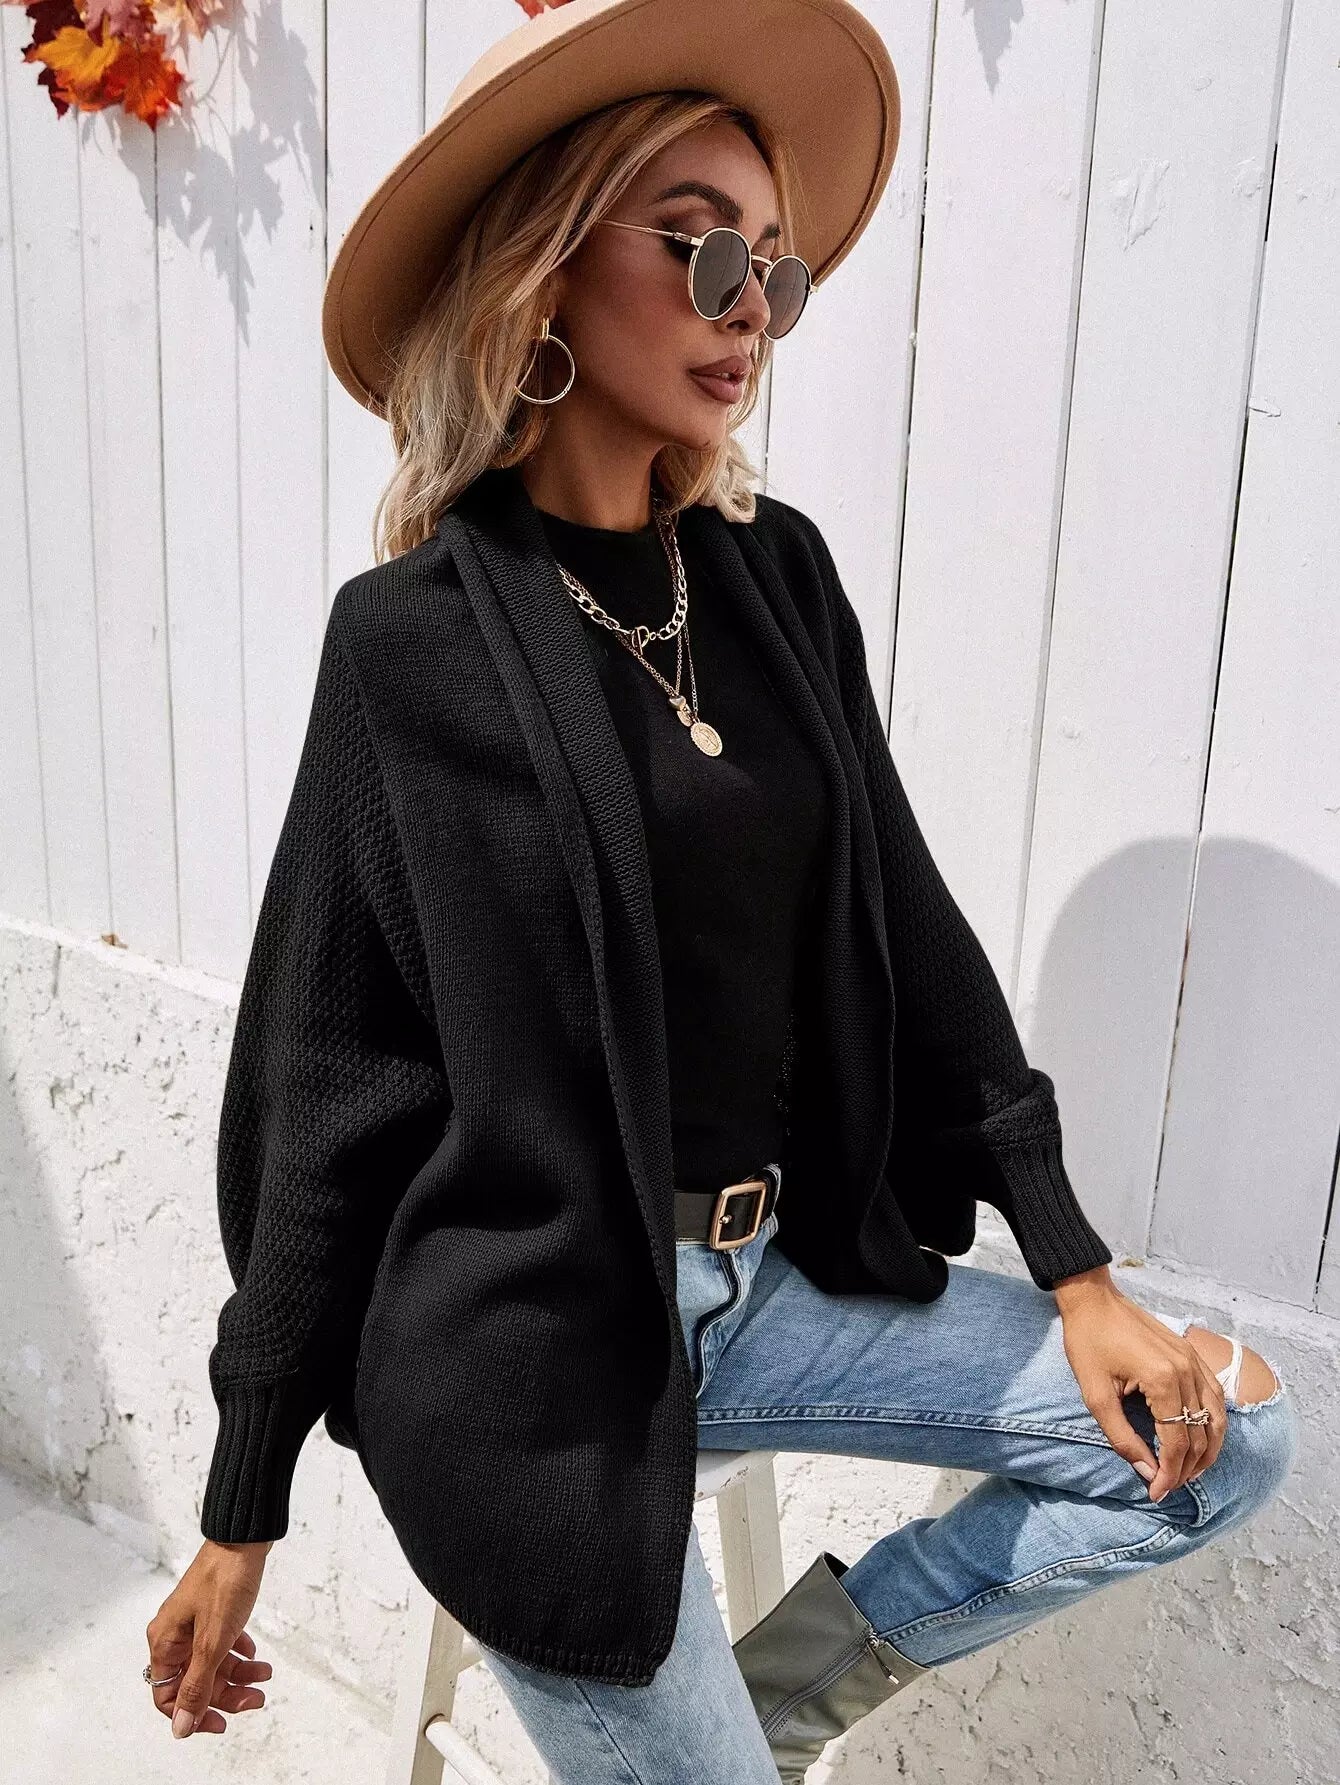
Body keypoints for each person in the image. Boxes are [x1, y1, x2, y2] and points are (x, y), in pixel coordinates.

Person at [144, 1, 1298, 1777]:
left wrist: (1076, 1269)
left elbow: (909, 918)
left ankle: (758, 1709)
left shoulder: (775, 580)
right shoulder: (407, 647)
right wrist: (243, 1504)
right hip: (528, 1349)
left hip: (770, 1286)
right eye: (699, 248)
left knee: (1227, 1441)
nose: (750, 303)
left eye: (774, 265)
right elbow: (328, 1093)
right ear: (543, 266)